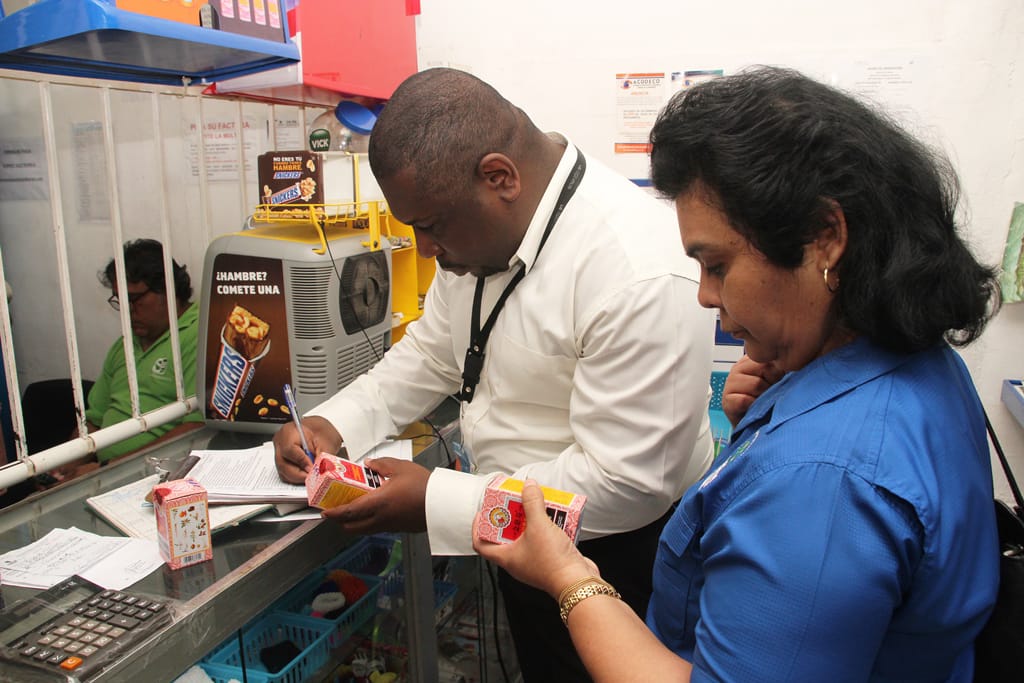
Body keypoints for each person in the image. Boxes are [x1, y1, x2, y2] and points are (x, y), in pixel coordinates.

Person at [474, 65, 1001, 682]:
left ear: (824, 238)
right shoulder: (916, 361)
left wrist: (569, 576)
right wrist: (771, 422)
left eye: (717, 264)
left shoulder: (821, 482)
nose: (704, 295)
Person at [273, 67, 716, 680]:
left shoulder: (635, 270)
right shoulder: (475, 233)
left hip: (613, 554)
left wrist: (438, 501)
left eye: (429, 226)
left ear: (499, 177)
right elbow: (433, 352)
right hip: (512, 525)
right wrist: (334, 420)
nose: (425, 250)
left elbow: (627, 483)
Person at [54, 239, 204, 482]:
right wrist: (59, 467)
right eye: (119, 301)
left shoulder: (198, 335)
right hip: (102, 473)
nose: (127, 311)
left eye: (134, 300)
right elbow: (94, 419)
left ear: (168, 291)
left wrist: (107, 467)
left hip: (158, 475)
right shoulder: (126, 343)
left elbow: (196, 429)